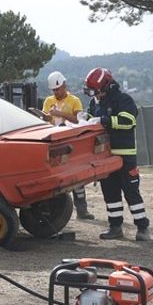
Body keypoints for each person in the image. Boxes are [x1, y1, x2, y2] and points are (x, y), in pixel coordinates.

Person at [85, 67, 151, 241]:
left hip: (124, 155)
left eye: (97, 92)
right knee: (110, 192)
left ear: (106, 86)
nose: (95, 96)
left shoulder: (123, 100)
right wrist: (83, 119)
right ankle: (115, 227)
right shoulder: (95, 102)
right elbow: (91, 119)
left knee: (131, 192)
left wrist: (105, 120)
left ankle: (142, 227)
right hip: (105, 156)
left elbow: (128, 121)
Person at [42, 71, 94, 220]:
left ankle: (82, 210)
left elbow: (79, 120)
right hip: (54, 143)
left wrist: (61, 114)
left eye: (58, 89)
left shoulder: (74, 100)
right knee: (56, 178)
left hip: (71, 143)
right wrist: (46, 117)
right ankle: (54, 211)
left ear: (64, 86)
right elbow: (47, 120)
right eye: (54, 90)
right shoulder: (48, 101)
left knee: (77, 177)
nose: (56, 92)